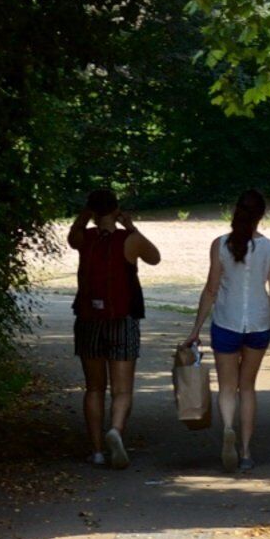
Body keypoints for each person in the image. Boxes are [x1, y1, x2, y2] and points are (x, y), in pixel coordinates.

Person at [188, 190, 270, 471]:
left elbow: (211, 289)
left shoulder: (220, 245)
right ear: (261, 215)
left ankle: (228, 427)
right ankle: (245, 451)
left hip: (226, 322)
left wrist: (195, 329)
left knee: (227, 387)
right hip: (259, 323)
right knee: (248, 387)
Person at [66, 189, 157, 468]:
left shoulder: (85, 239)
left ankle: (95, 451)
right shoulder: (129, 241)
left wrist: (85, 215)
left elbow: (72, 236)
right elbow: (154, 257)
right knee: (122, 390)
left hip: (89, 320)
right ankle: (115, 431)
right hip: (122, 319)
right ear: (117, 209)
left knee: (94, 388)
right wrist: (130, 225)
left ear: (92, 211)